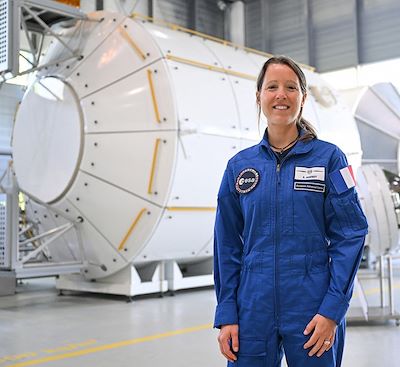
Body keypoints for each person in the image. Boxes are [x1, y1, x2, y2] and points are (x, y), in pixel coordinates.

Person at [213, 55, 368, 367]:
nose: (280, 94)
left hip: (312, 306)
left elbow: (351, 234)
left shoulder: (330, 159)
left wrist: (332, 310)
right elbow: (227, 243)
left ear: (303, 97)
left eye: (290, 87)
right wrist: (227, 312)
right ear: (259, 97)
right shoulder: (240, 167)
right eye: (272, 87)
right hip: (252, 306)